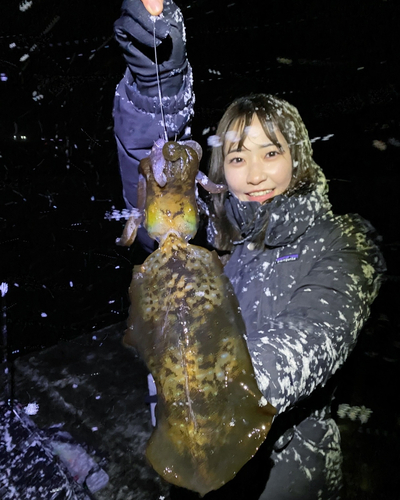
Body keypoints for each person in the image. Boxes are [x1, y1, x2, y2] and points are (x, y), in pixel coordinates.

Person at [113, 1, 385, 498]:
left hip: (286, 475)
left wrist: (207, 381)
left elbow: (315, 336)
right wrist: (158, 76)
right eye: (238, 155)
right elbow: (157, 171)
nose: (255, 173)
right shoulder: (215, 235)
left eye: (271, 151)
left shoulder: (346, 241)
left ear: (298, 157)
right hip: (196, 460)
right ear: (222, 167)